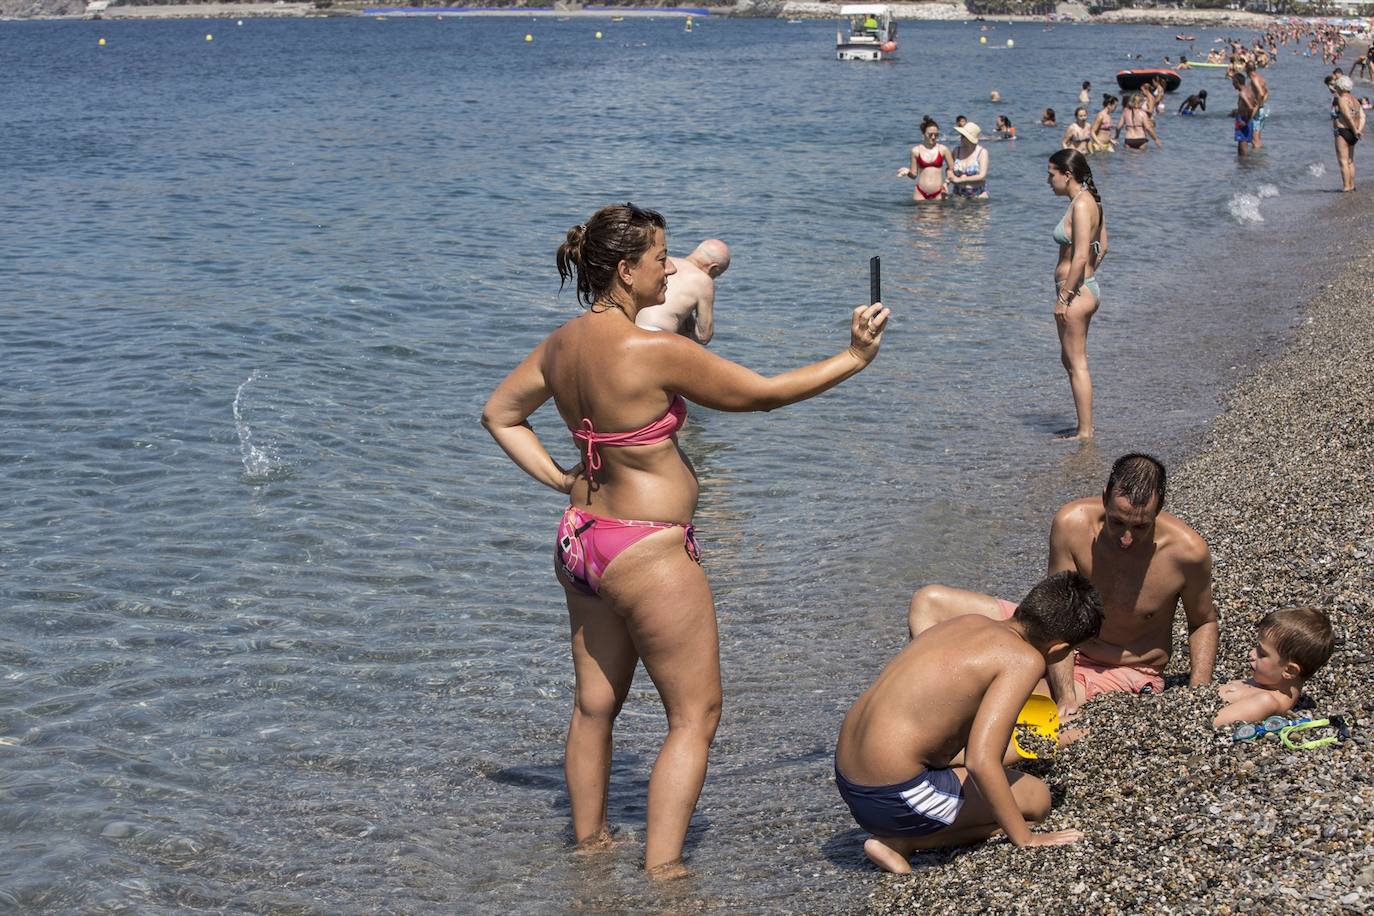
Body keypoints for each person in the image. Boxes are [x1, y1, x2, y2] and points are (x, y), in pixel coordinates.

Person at [482, 203, 889, 877]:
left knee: (594, 707)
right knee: (694, 717)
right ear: (625, 269)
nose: (670, 269)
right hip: (646, 551)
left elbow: (500, 414)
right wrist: (853, 357)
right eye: (659, 258)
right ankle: (664, 874)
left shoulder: (560, 345)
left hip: (581, 539)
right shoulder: (653, 349)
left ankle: (589, 854)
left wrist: (561, 479)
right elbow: (761, 395)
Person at [908, 454, 1219, 720]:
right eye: (1117, 522)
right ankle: (924, 689)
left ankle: (935, 712)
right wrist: (1064, 689)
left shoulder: (1187, 553)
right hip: (1056, 637)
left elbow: (1203, 621)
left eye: (1140, 527)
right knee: (929, 602)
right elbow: (1058, 612)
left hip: (1120, 668)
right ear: (1104, 498)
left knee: (1008, 698)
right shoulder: (1072, 524)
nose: (1126, 538)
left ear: (1159, 510)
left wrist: (1198, 692)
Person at [836, 572, 1104, 873]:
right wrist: (1026, 839)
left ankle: (903, 831)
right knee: (1037, 800)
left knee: (996, 781)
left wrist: (1050, 742)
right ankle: (902, 842)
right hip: (895, 798)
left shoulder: (968, 622)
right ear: (1059, 650)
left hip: (849, 780)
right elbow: (981, 761)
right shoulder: (1024, 660)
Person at [1046, 149, 1106, 441]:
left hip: (1075, 294)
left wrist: (1065, 296)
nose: (1049, 181)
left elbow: (1081, 255)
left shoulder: (1081, 204)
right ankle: (1084, 425)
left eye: (1051, 174)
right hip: (1084, 289)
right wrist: (1088, 279)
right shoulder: (1092, 200)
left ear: (1067, 175)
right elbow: (1103, 247)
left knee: (1077, 361)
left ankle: (1085, 431)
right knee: (1070, 359)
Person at [1213, 608, 1334, 728]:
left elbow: (1211, 722)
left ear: (1289, 671)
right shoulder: (1269, 682)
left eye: (1262, 653)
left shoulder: (1265, 702)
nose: (1251, 653)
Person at [635, 239, 731, 344]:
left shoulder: (666, 262)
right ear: (713, 267)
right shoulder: (704, 281)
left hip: (631, 328)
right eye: (717, 275)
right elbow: (703, 336)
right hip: (658, 337)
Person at [897, 115, 953, 202]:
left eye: (936, 135)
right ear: (923, 134)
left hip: (939, 192)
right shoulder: (915, 151)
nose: (933, 137)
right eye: (930, 134)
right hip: (920, 193)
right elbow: (914, 175)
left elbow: (952, 169)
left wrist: (947, 182)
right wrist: (908, 172)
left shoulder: (943, 149)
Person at [1332, 75, 1364, 192]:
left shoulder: (1342, 99)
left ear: (1341, 87)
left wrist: (1355, 130)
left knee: (1343, 161)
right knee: (1350, 160)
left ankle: (1346, 187)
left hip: (1343, 131)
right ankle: (1352, 185)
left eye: (1337, 86)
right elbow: (1363, 116)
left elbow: (1347, 116)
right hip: (1353, 133)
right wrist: (1359, 130)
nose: (1336, 87)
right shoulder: (1355, 100)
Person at [948, 121, 989, 199]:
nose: (960, 137)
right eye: (961, 135)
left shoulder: (982, 152)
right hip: (958, 194)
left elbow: (982, 176)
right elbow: (949, 169)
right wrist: (948, 180)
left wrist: (960, 180)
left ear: (969, 138)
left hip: (978, 195)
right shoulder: (956, 151)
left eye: (963, 136)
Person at [1246, 62, 1270, 148]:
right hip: (1261, 110)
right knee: (1257, 139)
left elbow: (1261, 93)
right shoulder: (1261, 78)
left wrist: (1256, 106)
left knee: (1254, 140)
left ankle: (1256, 156)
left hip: (1256, 110)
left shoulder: (1254, 79)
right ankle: (1260, 155)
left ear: (1247, 69)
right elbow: (1267, 93)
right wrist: (1262, 104)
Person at [1232, 72, 1256, 158]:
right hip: (1247, 120)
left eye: (1233, 82)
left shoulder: (1242, 94)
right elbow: (1255, 105)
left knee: (1242, 146)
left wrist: (1246, 121)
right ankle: (1242, 164)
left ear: (1237, 82)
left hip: (1243, 120)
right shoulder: (1249, 91)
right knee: (1242, 145)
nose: (1233, 85)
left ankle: (1244, 164)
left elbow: (1250, 107)